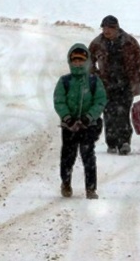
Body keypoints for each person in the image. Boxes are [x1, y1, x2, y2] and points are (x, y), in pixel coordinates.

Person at [89, 15, 140, 155]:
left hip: (126, 84)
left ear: (116, 28)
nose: (106, 31)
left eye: (109, 28)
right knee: (109, 113)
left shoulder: (130, 42)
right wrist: (95, 76)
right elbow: (89, 62)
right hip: (106, 86)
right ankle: (111, 142)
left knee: (123, 114)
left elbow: (139, 63)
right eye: (103, 27)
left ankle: (124, 142)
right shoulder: (97, 43)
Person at [53, 43, 107, 199]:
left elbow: (100, 101)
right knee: (67, 156)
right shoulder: (64, 81)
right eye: (75, 60)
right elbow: (59, 101)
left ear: (87, 61)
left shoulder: (94, 81)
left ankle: (91, 188)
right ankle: (66, 183)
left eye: (81, 60)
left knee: (88, 156)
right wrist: (67, 118)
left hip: (88, 125)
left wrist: (88, 117)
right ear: (70, 62)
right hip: (68, 126)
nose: (78, 63)